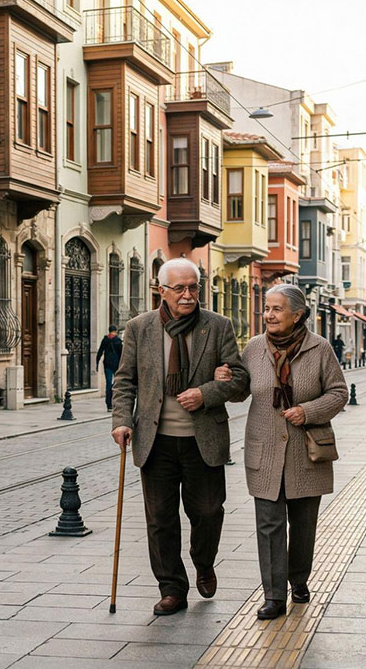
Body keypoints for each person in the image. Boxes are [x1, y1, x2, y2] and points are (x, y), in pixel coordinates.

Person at [110, 258, 249, 616]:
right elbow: (125, 380)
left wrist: (206, 393)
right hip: (154, 441)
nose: (188, 295)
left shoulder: (218, 326)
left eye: (193, 288)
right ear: (162, 291)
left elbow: (239, 381)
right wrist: (122, 420)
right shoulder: (140, 328)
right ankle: (172, 588)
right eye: (180, 288)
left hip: (202, 439)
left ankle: (204, 562)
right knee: (160, 520)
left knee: (207, 512)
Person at [213, 284, 348, 620]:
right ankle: (273, 595)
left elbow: (339, 393)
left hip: (307, 452)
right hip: (265, 452)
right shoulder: (255, 348)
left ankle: (298, 579)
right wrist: (224, 379)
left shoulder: (320, 349)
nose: (269, 315)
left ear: (297, 315)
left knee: (303, 526)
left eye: (276, 309)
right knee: (269, 525)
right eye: (267, 308)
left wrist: (308, 411)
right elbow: (239, 392)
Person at [96, 325, 124, 410]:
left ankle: (109, 404)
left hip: (107, 364)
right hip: (116, 365)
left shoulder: (105, 340)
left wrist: (97, 363)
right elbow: (122, 354)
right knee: (117, 384)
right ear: (115, 331)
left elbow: (100, 351)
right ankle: (115, 402)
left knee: (108, 384)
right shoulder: (118, 341)